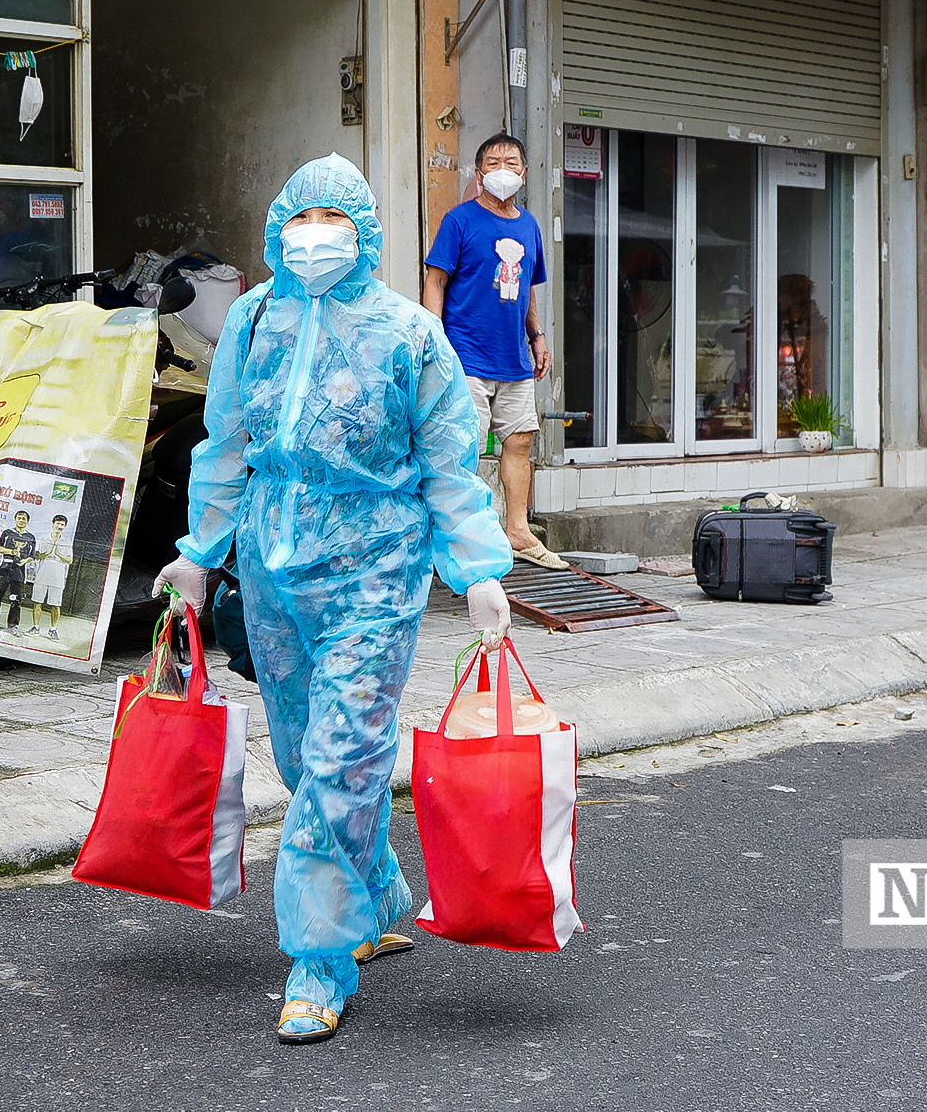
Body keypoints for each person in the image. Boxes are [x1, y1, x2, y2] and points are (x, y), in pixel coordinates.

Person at [156, 154, 513, 1046]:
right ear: (279, 228)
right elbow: (225, 443)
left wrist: (477, 570)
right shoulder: (251, 319)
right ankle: (380, 891)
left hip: (376, 572)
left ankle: (318, 960)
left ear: (365, 234)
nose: (316, 235)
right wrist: (198, 552)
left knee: (342, 756)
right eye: (302, 218)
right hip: (271, 570)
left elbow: (447, 462)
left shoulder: (408, 335)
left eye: (335, 219)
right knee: (300, 752)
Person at [422, 133, 567, 570]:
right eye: (493, 161)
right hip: (466, 354)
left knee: (520, 441)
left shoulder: (529, 225)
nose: (502, 169)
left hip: (514, 358)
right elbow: (435, 281)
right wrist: (436, 341)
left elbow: (526, 287)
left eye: (511, 161)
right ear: (479, 172)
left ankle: (518, 532)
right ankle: (457, 540)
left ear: (523, 173)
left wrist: (537, 335)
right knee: (461, 449)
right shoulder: (460, 221)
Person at [0, 510, 37, 633]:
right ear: (15, 519)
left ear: (27, 521)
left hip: (19, 572)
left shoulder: (30, 537)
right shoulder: (7, 533)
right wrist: (11, 552)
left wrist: (24, 561)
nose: (21, 520)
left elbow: (32, 556)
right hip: (4, 569)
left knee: (16, 600)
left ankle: (12, 625)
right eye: (19, 518)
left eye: (24, 518)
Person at [28, 515, 73, 641]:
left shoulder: (67, 542)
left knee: (55, 605)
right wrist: (47, 553)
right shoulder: (43, 538)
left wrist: (58, 554)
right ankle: (35, 627)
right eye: (57, 523)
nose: (59, 526)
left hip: (58, 577)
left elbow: (70, 560)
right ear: (52, 524)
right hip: (42, 575)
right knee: (37, 602)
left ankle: (53, 630)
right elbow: (37, 555)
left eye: (62, 525)